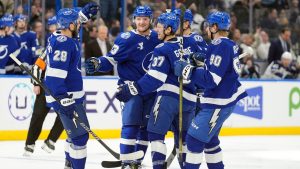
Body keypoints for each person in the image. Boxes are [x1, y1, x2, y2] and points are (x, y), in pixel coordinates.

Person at [115, 12, 204, 169]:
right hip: (189, 102)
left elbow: (154, 79)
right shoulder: (189, 44)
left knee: (155, 135)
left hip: (168, 100)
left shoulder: (162, 48)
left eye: (160, 27)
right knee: (183, 139)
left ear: (169, 30)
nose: (156, 30)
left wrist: (132, 88)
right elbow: (204, 66)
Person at [85, 5, 161, 168]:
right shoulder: (127, 38)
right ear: (134, 20)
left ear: (151, 20)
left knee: (146, 129)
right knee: (131, 126)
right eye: (139, 19)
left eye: (145, 19)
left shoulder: (156, 38)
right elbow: (111, 59)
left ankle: (137, 162)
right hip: (130, 89)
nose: (141, 22)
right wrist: (99, 63)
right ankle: (127, 162)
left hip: (150, 89)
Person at [174, 11, 247, 169]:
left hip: (218, 103)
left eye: (209, 26)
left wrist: (188, 70)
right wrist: (204, 57)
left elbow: (211, 80)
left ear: (214, 27)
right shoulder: (229, 44)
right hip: (224, 101)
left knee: (193, 139)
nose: (206, 28)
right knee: (211, 141)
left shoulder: (219, 45)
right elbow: (220, 66)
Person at [44, 4, 99, 169]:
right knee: (80, 138)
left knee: (72, 136)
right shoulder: (65, 43)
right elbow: (54, 75)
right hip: (67, 96)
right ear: (71, 26)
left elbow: (72, 31)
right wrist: (62, 98)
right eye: (77, 22)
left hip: (69, 95)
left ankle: (69, 164)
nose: (80, 25)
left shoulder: (58, 36)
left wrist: (81, 15)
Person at [23, 30, 65, 156]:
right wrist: (36, 83)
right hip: (45, 88)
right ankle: (29, 144)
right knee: (38, 116)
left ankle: (50, 140)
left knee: (65, 115)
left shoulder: (69, 51)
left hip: (61, 90)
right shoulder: (49, 51)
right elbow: (36, 67)